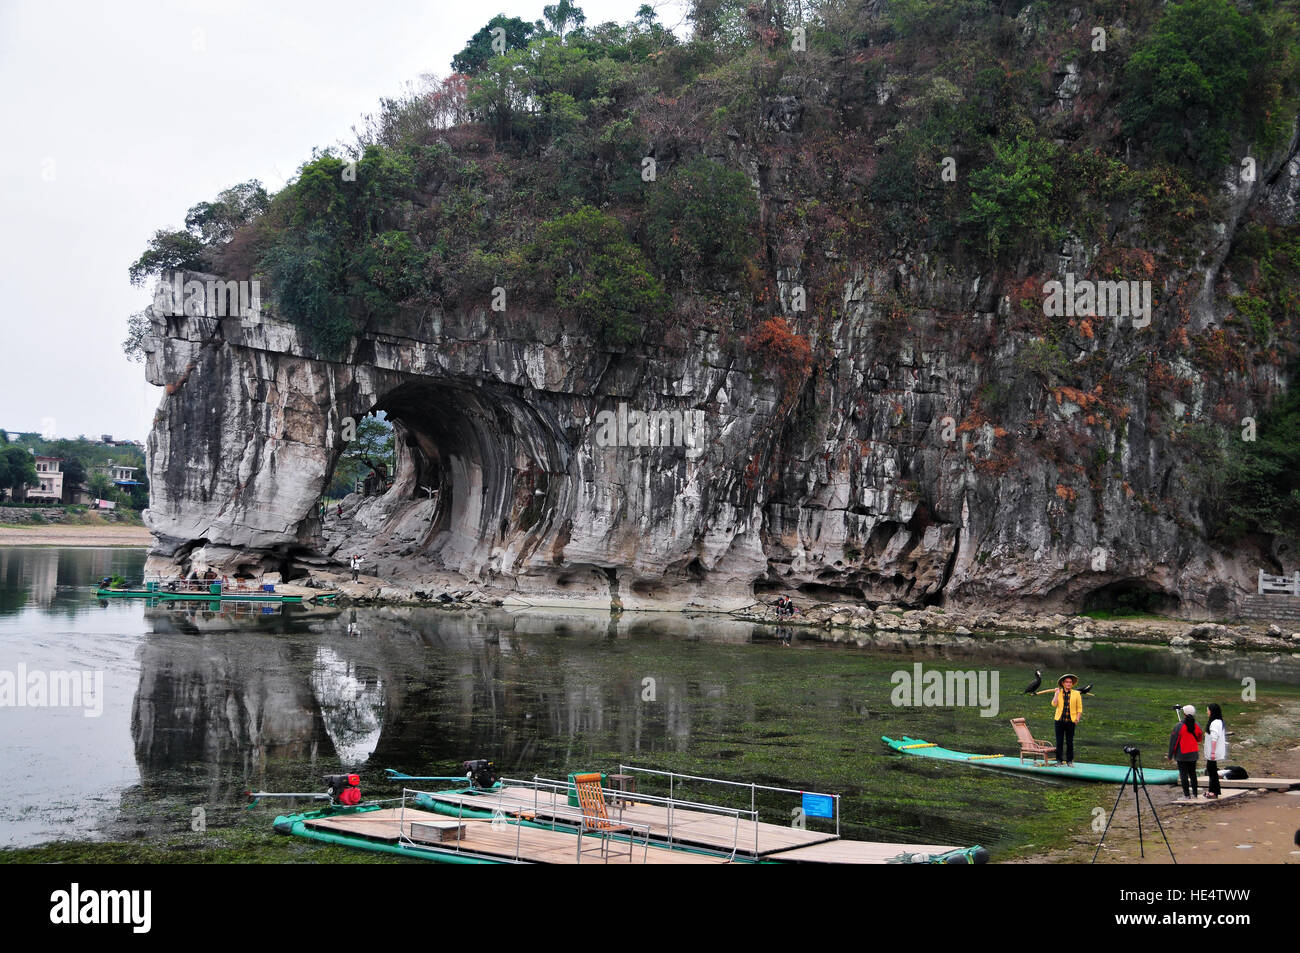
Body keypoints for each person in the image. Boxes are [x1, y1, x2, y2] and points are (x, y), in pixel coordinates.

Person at [1167, 704, 1204, 799]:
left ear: (1184, 713)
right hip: (1193, 753)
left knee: (1183, 775)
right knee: (1193, 774)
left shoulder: (1179, 726)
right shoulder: (1197, 725)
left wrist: (1170, 755)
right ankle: (1195, 794)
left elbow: (1173, 742)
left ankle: (1187, 795)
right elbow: (1199, 738)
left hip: (1182, 754)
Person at [1050, 674, 1082, 766]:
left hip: (1071, 721)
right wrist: (1056, 694)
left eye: (1070, 682)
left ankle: (1069, 761)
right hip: (1059, 721)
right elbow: (1054, 704)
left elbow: (1079, 708)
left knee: (1069, 742)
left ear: (1072, 684)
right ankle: (1059, 761)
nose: (1068, 684)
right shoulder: (1059, 692)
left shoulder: (1076, 693)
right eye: (1066, 682)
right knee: (1059, 741)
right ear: (1063, 683)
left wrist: (1077, 719)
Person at [1204, 703, 1227, 799]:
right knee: (1212, 770)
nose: (1207, 712)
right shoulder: (1219, 722)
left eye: (1208, 710)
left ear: (1212, 711)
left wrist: (1212, 752)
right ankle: (1214, 790)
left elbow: (1214, 738)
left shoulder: (1214, 723)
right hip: (1214, 751)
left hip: (1213, 752)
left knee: (1211, 771)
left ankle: (1213, 791)